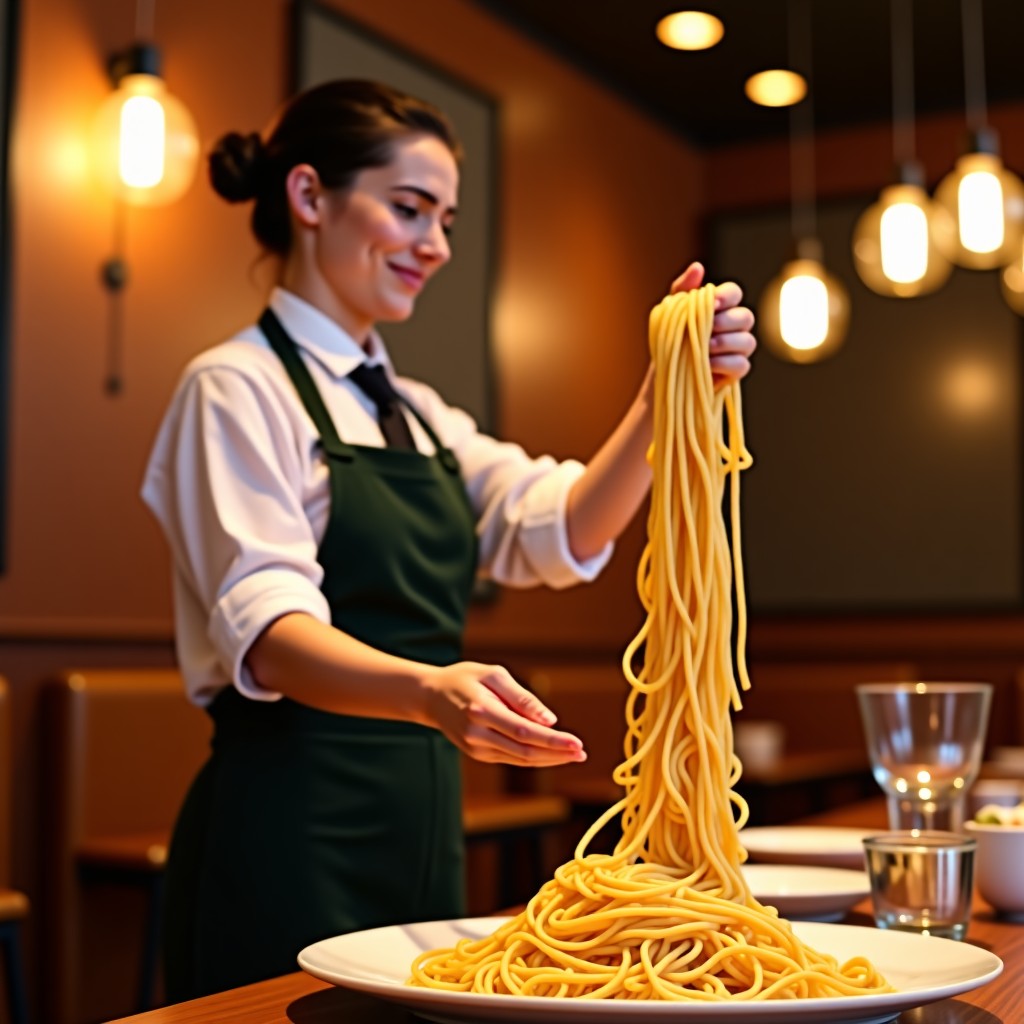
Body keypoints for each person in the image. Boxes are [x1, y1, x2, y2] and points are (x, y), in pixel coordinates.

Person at [141, 79, 756, 1000]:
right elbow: (269, 635)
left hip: (424, 817)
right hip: (286, 819)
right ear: (309, 196)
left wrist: (665, 395)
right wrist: (429, 691)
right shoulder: (233, 388)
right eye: (409, 208)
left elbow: (562, 525)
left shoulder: (421, 415)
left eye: (446, 219)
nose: (436, 245)